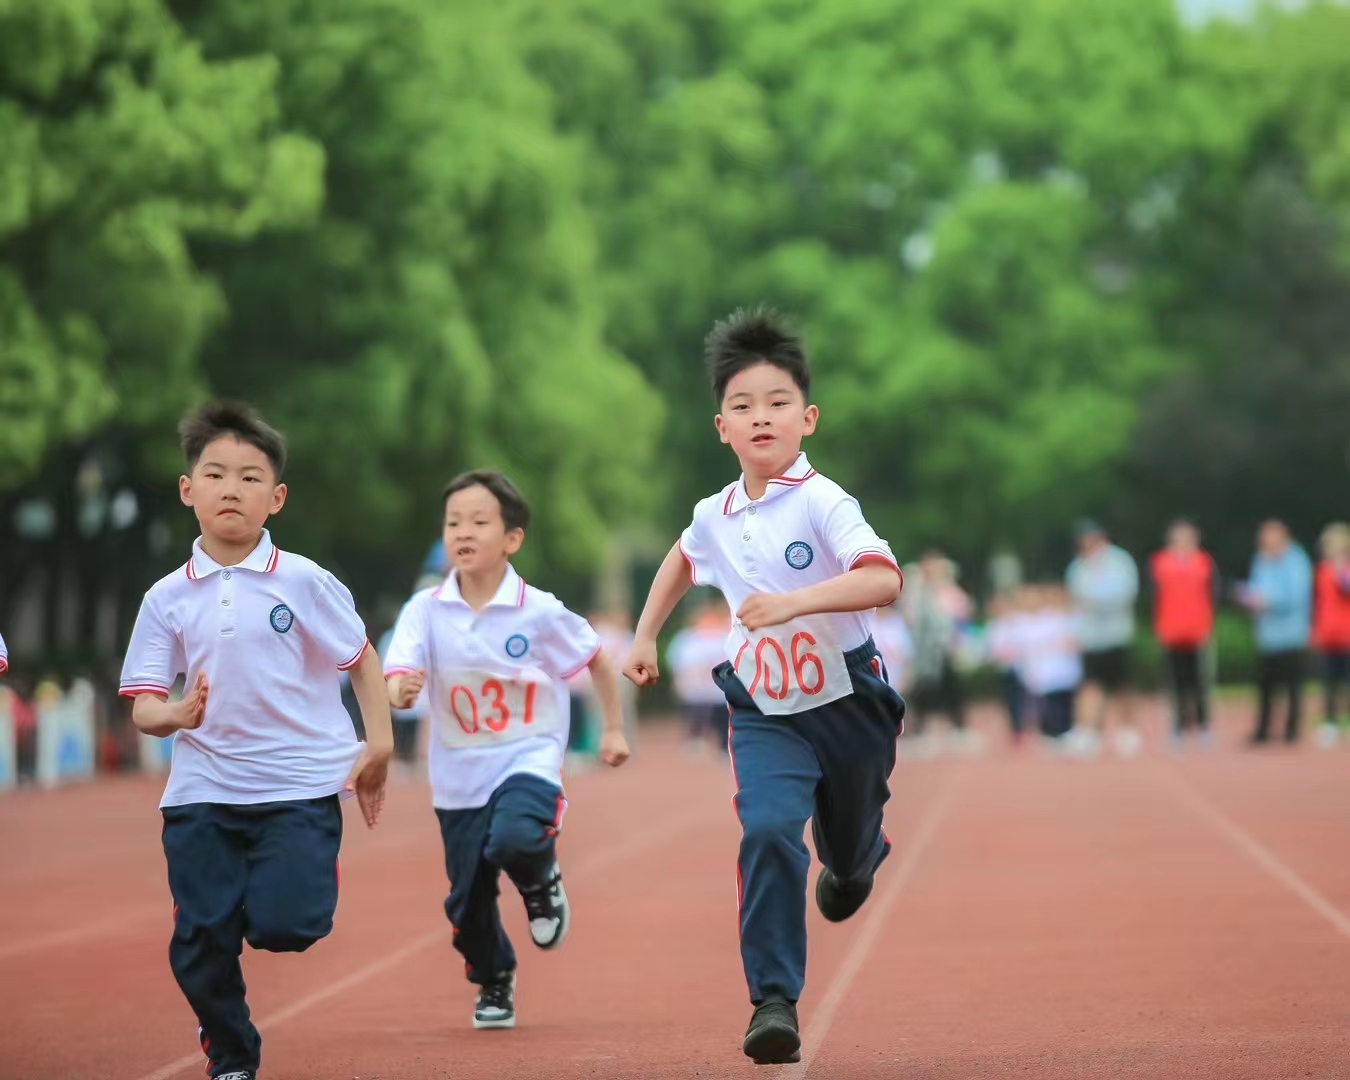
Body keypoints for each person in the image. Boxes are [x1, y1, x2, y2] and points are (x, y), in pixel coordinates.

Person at [622, 307, 904, 1065]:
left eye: (777, 402)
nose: (761, 417)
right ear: (722, 427)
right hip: (765, 707)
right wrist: (646, 633)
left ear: (806, 417)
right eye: (742, 407)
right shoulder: (713, 513)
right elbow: (682, 559)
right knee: (770, 830)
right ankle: (772, 1000)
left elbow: (882, 579)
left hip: (849, 700)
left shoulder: (823, 501)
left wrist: (796, 603)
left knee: (845, 852)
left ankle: (853, 861)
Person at [119, 402, 393, 1080]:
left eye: (248, 477)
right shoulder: (165, 599)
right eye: (214, 474)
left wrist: (379, 745)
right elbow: (144, 708)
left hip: (297, 787)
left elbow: (360, 660)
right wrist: (177, 714)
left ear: (276, 498)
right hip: (202, 790)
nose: (230, 489)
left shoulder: (304, 580)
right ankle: (232, 1052)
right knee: (199, 941)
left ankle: (250, 901)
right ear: (189, 491)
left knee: (287, 926)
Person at [384, 470, 630, 1031]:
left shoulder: (537, 610)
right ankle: (494, 976)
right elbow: (399, 673)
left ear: (512, 538)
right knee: (466, 906)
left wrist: (614, 729)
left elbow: (594, 657)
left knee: (517, 837)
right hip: (457, 773)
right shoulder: (424, 609)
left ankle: (541, 883)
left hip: (528, 754)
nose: (462, 532)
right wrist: (400, 690)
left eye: (478, 521)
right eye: (452, 522)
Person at [1064, 520, 1141, 758]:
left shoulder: (1120, 562)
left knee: (1121, 685)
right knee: (1090, 684)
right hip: (1091, 637)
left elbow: (1125, 593)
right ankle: (1088, 731)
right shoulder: (1078, 567)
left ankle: (1127, 730)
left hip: (1116, 634)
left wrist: (1097, 600)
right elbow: (1077, 597)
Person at [1236, 519, 1313, 746]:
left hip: (1291, 634)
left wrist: (1268, 602)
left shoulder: (1297, 561)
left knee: (1293, 685)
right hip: (1267, 636)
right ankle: (1263, 730)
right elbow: (1255, 586)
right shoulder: (1261, 559)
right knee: (1265, 685)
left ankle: (1291, 730)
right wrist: (1249, 598)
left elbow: (1297, 596)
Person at [1149, 519, 1217, 747]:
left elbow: (1211, 595)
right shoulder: (1160, 562)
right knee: (1175, 683)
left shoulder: (1203, 562)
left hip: (1197, 630)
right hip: (1171, 630)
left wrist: (1207, 626)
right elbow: (1155, 597)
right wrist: (1159, 627)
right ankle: (1177, 727)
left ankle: (1203, 725)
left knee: (1200, 682)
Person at [902, 551, 970, 748]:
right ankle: (920, 729)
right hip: (922, 649)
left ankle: (958, 727)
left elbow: (961, 616)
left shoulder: (950, 591)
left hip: (946, 648)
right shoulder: (915, 592)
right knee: (923, 687)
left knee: (951, 685)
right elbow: (909, 617)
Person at [1016, 585, 1081, 743]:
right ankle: (1049, 732)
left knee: (1063, 702)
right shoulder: (1025, 622)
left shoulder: (1057, 618)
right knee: (1047, 705)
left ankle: (1064, 730)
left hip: (1062, 672)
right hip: (1043, 674)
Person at [668, 598, 734, 754]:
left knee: (722, 714)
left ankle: (724, 744)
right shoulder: (687, 638)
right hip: (695, 684)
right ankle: (696, 741)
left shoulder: (724, 636)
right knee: (695, 712)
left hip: (719, 685)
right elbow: (677, 659)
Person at [1312, 523, 1350, 748]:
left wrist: (1341, 572)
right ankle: (1330, 722)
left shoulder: (1345, 569)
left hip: (1348, 635)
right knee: (1329, 682)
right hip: (1327, 634)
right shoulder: (1322, 569)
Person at [985, 592, 1030, 744]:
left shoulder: (1021, 621)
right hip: (1006, 670)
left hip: (1023, 669)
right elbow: (993, 648)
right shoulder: (997, 625)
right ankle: (1015, 729)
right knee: (1011, 701)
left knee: (1024, 700)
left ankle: (1025, 727)